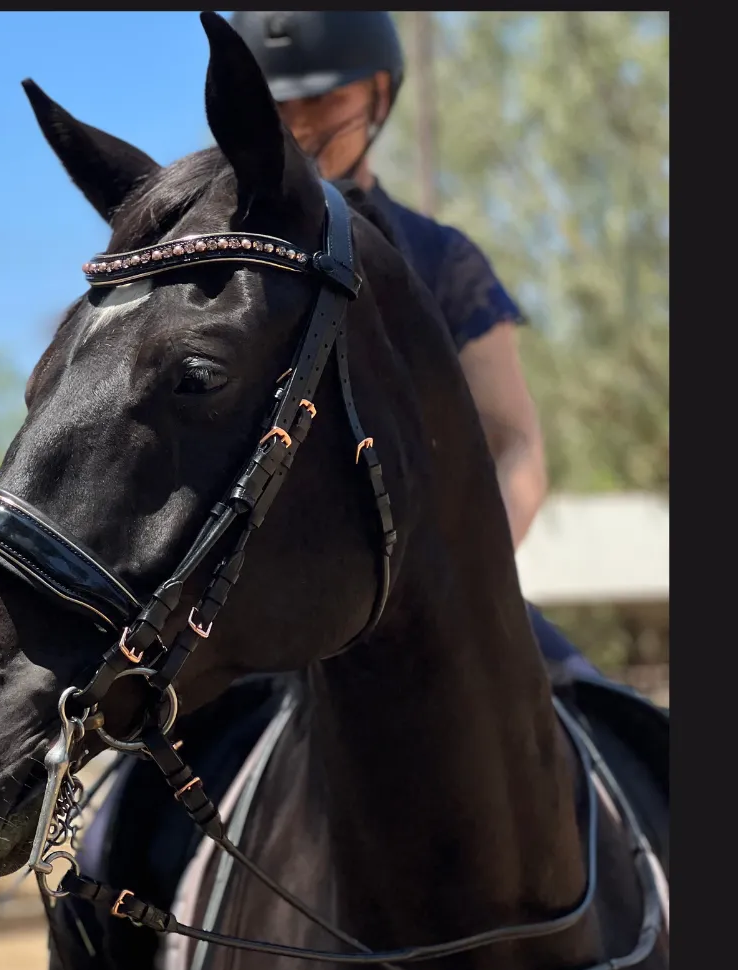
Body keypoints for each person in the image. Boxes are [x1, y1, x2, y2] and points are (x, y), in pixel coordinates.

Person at [231, 10, 595, 680]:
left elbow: (517, 447)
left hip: (435, 594)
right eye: (278, 105)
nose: (299, 126)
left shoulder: (444, 259)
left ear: (379, 93)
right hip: (256, 609)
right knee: (128, 778)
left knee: (612, 723)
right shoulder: (229, 267)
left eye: (322, 99)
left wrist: (455, 578)